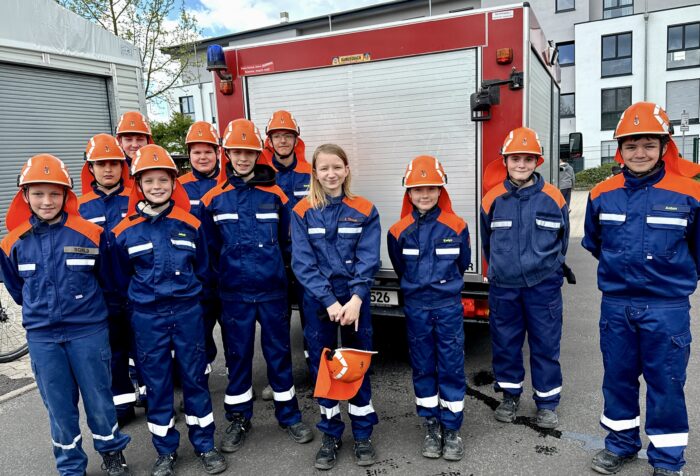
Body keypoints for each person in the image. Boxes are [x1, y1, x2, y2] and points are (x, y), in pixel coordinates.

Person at [582, 102, 700, 476]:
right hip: (617, 304)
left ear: (664, 146)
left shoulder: (690, 193)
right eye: (631, 145)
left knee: (666, 383)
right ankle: (620, 444)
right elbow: (595, 242)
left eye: (649, 144)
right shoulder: (601, 193)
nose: (639, 153)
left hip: (667, 307)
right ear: (620, 149)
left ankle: (667, 460)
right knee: (617, 379)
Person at [0, 154, 131, 476]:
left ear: (66, 195)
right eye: (38, 193)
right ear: (25, 195)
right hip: (43, 338)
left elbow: (110, 282)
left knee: (100, 400)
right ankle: (71, 466)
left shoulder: (92, 234)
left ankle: (112, 452)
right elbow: (17, 290)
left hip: (88, 333)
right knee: (59, 408)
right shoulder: (12, 242)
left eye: (54, 193)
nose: (47, 201)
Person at [111, 145, 226, 476]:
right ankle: (165, 451)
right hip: (147, 318)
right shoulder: (122, 232)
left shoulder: (191, 224)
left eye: (163, 180)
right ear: (138, 185)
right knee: (157, 385)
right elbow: (119, 279)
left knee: (195, 380)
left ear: (174, 183)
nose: (157, 186)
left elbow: (203, 270)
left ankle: (205, 444)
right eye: (149, 181)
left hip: (188, 313)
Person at [199, 119, 313, 454]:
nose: (243, 158)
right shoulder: (213, 199)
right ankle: (238, 418)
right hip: (234, 294)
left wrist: (287, 278)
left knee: (279, 354)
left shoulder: (275, 195)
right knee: (238, 357)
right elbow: (209, 251)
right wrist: (218, 287)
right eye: (236, 152)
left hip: (273, 290)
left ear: (257, 154)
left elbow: (288, 243)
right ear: (227, 154)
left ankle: (289, 415)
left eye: (248, 152)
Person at [291, 143, 381, 470]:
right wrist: (329, 301)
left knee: (357, 366)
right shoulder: (302, 211)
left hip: (355, 300)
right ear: (315, 173)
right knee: (324, 370)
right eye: (324, 168)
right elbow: (302, 263)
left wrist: (356, 298)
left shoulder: (365, 209)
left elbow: (369, 258)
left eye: (336, 167)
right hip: (319, 302)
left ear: (346, 170)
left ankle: (362, 434)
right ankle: (330, 434)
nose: (331, 174)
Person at [480, 127, 569, 430]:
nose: (521, 164)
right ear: (505, 161)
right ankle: (509, 396)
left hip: (543, 286)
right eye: (515, 158)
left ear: (537, 161)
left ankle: (547, 403)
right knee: (505, 343)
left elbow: (563, 240)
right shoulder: (492, 199)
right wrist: (502, 269)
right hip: (504, 287)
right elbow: (487, 242)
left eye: (528, 159)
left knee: (546, 345)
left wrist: (551, 269)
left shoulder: (553, 197)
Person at [387, 155, 470, 461]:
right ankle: (431, 425)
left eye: (431, 188)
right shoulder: (398, 231)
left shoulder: (457, 226)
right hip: (417, 308)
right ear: (408, 193)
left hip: (448, 307)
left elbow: (462, 264)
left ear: (440, 190)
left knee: (451, 366)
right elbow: (399, 266)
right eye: (417, 189)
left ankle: (452, 428)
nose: (425, 194)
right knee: (423, 365)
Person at [77, 134, 136, 426]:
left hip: (137, 289)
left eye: (114, 163)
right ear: (91, 168)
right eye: (101, 164)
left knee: (145, 349)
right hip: (101, 294)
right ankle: (122, 406)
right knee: (113, 354)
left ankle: (152, 397)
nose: (108, 169)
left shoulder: (135, 198)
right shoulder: (80, 207)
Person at [259, 110, 313, 400]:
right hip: (275, 259)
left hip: (306, 259)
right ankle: (280, 382)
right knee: (276, 325)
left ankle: (318, 376)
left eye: (287, 136)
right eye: (277, 136)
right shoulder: (262, 175)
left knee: (313, 321)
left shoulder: (311, 172)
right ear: (269, 141)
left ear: (296, 139)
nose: (282, 141)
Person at [178, 121, 222, 376]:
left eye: (208, 151)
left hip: (226, 270)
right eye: (197, 152)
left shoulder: (228, 182)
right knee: (198, 330)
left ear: (217, 153)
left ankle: (236, 376)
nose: (203, 157)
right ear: (189, 154)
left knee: (233, 331)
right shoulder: (179, 186)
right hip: (195, 273)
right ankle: (199, 377)